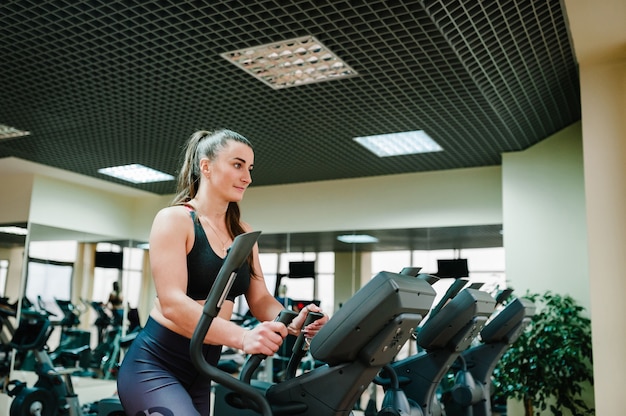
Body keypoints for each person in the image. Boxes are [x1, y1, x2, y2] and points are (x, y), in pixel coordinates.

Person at [117, 129, 328, 416]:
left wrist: (293, 321)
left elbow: (261, 299)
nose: (248, 178)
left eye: (250, 169)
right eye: (237, 165)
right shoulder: (176, 220)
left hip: (203, 370)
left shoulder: (244, 233)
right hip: (156, 363)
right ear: (206, 166)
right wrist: (243, 338)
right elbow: (172, 303)